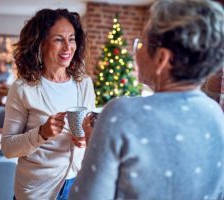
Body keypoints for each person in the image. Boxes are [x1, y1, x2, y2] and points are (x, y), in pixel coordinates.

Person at [69, 0, 224, 199]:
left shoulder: (122, 113)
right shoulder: (216, 115)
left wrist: (94, 145)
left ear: (162, 59)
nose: (136, 51)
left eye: (140, 43)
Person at [0, 8, 95, 200]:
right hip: (37, 190)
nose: (68, 47)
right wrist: (41, 133)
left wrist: (86, 138)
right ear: (40, 43)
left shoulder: (84, 84)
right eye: (58, 39)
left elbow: (88, 130)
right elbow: (8, 148)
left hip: (77, 184)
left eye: (72, 38)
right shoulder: (23, 88)